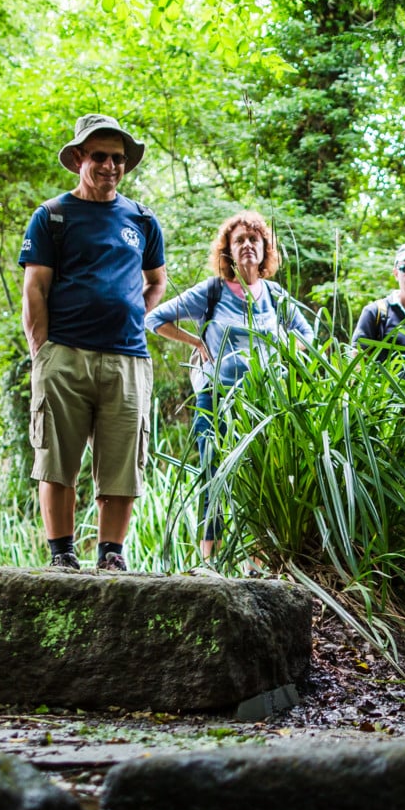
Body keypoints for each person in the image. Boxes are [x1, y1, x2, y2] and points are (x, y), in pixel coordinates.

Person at [19, 114, 166, 572]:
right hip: (63, 353)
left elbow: (156, 281)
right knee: (56, 459)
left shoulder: (142, 219)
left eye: (118, 158)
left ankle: (111, 556)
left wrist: (130, 312)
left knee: (123, 461)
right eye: (99, 156)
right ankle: (62, 553)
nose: (110, 165)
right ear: (79, 158)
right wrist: (41, 351)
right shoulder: (52, 216)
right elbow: (35, 290)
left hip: (128, 359)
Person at [146, 210, 316, 560]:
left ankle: (257, 561)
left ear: (265, 248)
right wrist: (196, 342)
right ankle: (211, 561)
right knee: (214, 469)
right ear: (228, 250)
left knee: (261, 474)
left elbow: (308, 335)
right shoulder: (212, 291)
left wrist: (283, 349)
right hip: (216, 397)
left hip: (263, 402)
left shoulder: (274, 295)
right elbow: (155, 318)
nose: (248, 246)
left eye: (254, 240)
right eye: (239, 240)